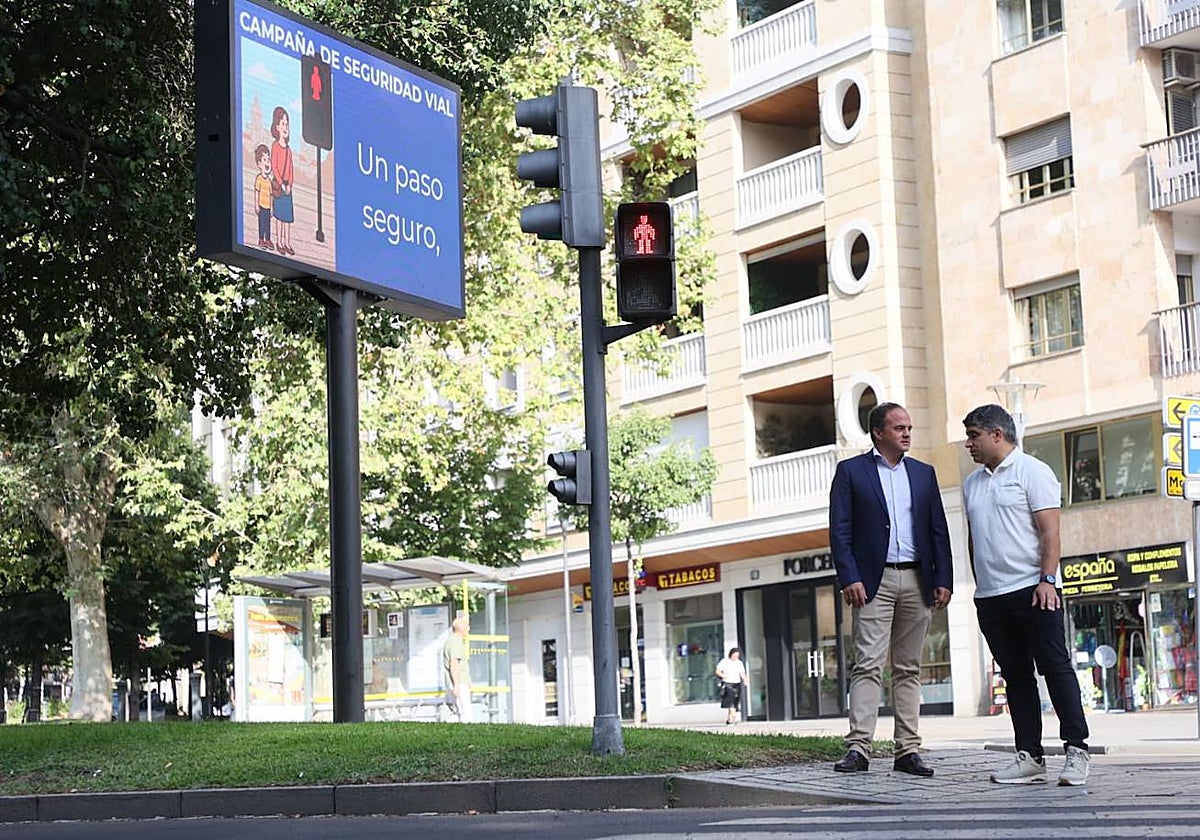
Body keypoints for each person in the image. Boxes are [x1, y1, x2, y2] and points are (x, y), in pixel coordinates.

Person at [962, 404, 1090, 786]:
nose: (969, 444)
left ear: (997, 434)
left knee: (1055, 667)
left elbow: (1051, 532)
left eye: (974, 436)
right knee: (1016, 677)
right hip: (991, 597)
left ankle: (1077, 750)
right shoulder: (972, 483)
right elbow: (974, 538)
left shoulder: (1033, 471)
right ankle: (1030, 757)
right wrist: (979, 587)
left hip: (1035, 590)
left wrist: (1048, 579)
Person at [829, 402, 953, 777]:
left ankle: (908, 751)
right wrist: (850, 576)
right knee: (867, 664)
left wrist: (943, 579)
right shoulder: (851, 472)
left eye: (909, 428)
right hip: (872, 580)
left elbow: (938, 530)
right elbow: (840, 530)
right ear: (878, 432)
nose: (907, 434)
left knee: (908, 668)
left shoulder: (924, 474)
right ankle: (859, 748)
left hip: (918, 579)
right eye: (899, 427)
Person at [269, 106, 295, 257]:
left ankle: (287, 243)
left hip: (288, 189)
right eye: (283, 123)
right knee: (279, 217)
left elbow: (290, 169)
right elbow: (274, 167)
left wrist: (290, 184)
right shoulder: (275, 147)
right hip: (279, 186)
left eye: (287, 124)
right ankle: (279, 242)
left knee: (287, 218)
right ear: (277, 127)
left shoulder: (289, 150)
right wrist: (282, 183)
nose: (286, 127)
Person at [442, 616, 471, 722]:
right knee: (465, 714)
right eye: (467, 626)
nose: (469, 628)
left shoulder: (451, 641)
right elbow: (454, 663)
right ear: (461, 628)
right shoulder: (456, 642)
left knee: (457, 713)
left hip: (455, 683)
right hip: (459, 683)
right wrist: (457, 685)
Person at [715, 647, 749, 725]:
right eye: (734, 656)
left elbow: (742, 673)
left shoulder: (739, 663)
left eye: (737, 656)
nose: (735, 657)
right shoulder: (724, 662)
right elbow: (717, 671)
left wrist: (745, 680)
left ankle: (730, 719)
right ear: (731, 654)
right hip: (728, 684)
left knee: (735, 701)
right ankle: (733, 717)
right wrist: (723, 675)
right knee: (730, 702)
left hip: (737, 683)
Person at [252, 144, 274, 250]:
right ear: (259, 164)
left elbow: (271, 195)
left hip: (268, 207)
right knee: (261, 223)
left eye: (268, 160)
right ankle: (261, 239)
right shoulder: (259, 178)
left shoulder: (269, 181)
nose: (267, 163)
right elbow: (256, 192)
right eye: (264, 160)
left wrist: (272, 208)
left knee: (268, 224)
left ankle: (268, 239)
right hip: (261, 206)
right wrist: (256, 205)